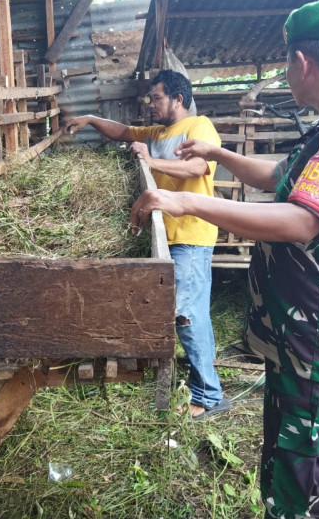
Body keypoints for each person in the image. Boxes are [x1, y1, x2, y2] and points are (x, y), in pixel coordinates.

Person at [131, 0, 319, 518]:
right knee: (285, 461)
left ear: (302, 62)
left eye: (286, 65)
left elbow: (303, 219)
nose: (287, 75)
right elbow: (283, 173)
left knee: (307, 471)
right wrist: (218, 156)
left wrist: (187, 199)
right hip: (301, 335)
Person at [65, 69, 230, 420]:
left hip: (191, 234)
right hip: (169, 236)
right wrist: (91, 119)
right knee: (185, 312)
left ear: (178, 99)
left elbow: (199, 166)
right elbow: (123, 132)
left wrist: (149, 161)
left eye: (156, 97)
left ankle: (210, 396)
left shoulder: (198, 127)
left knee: (187, 315)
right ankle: (202, 385)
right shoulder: (157, 132)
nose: (151, 104)